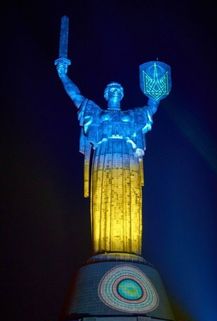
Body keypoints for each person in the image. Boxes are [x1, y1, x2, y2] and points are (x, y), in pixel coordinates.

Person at [55, 57, 160, 255]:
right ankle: (104, 249)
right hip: (104, 158)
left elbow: (151, 108)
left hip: (128, 161)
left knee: (128, 198)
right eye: (111, 89)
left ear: (122, 94)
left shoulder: (133, 114)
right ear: (106, 94)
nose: (115, 91)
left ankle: (130, 251)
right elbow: (76, 96)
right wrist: (63, 75)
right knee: (105, 197)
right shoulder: (97, 113)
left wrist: (155, 92)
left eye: (118, 90)